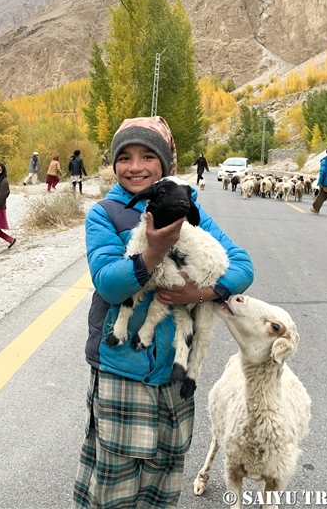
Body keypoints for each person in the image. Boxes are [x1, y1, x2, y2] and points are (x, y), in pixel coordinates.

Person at [73, 116, 254, 509]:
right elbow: (108, 281)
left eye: (146, 156)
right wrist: (153, 250)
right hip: (123, 367)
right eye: (125, 157)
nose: (135, 166)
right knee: (115, 482)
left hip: (173, 372)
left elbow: (241, 264)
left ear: (166, 163)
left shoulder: (189, 209)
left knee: (164, 475)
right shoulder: (105, 215)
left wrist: (203, 291)